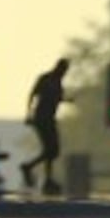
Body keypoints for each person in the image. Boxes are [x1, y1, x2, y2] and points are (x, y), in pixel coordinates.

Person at [20, 57, 70, 195]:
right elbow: (33, 95)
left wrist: (67, 100)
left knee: (52, 150)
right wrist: (28, 113)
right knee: (51, 149)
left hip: (50, 119)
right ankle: (31, 168)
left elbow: (57, 99)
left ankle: (45, 176)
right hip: (42, 119)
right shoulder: (45, 79)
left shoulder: (58, 83)